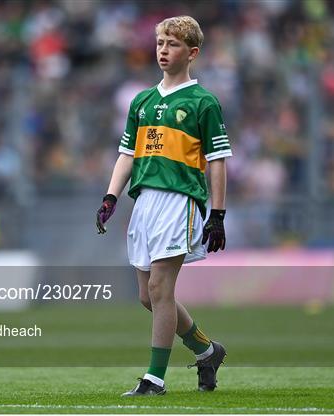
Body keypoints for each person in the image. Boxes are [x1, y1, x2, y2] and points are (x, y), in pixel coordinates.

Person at [96, 16, 232, 396]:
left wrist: (217, 214)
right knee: (149, 296)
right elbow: (127, 154)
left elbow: (218, 160)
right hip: (145, 203)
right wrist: (110, 196)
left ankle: (154, 379)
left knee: (159, 288)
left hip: (180, 200)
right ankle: (206, 350)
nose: (162, 50)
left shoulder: (203, 102)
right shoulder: (142, 101)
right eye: (159, 43)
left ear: (192, 53)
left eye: (171, 44)